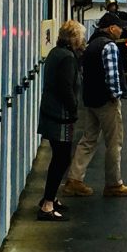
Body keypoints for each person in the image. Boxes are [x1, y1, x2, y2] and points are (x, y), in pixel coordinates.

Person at [62, 13, 127, 198]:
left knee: (88, 139)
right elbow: (112, 76)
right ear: (112, 28)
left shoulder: (91, 44)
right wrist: (116, 95)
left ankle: (74, 180)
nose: (122, 31)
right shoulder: (109, 46)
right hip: (106, 102)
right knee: (114, 143)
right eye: (120, 27)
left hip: (90, 100)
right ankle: (114, 184)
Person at [36, 20, 87, 221]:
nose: (82, 40)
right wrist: (74, 107)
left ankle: (50, 198)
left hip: (50, 111)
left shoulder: (55, 53)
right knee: (61, 159)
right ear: (74, 37)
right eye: (81, 36)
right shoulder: (67, 58)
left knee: (59, 156)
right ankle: (47, 205)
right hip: (61, 115)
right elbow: (65, 87)